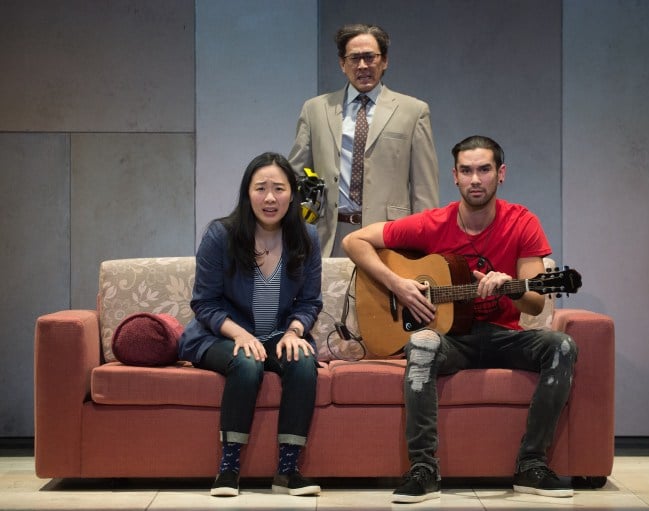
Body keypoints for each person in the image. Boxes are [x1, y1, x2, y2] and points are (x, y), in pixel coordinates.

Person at [342, 135, 578, 502]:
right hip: (452, 340)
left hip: (504, 336)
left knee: (561, 346)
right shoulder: (433, 223)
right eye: (466, 171)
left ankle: (531, 465)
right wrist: (400, 285)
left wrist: (511, 287)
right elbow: (354, 241)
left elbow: (534, 304)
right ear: (454, 176)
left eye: (484, 170)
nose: (475, 179)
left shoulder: (522, 222)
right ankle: (423, 469)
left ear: (501, 174)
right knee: (420, 342)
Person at [178, 152, 323, 497]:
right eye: (261, 188)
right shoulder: (221, 235)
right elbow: (204, 302)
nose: (270, 198)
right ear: (247, 193)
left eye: (279, 189)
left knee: (303, 362)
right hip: (221, 334)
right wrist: (240, 333)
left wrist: (294, 331)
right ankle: (228, 469)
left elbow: (310, 302)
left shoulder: (307, 237)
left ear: (292, 194)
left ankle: (287, 471)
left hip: (276, 334)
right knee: (246, 361)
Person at [288, 22, 439, 257]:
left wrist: (423, 249)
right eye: (354, 58)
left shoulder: (413, 111)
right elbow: (295, 176)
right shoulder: (315, 109)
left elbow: (424, 190)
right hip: (330, 234)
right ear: (342, 63)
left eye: (370, 57)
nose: (362, 66)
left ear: (384, 60)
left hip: (389, 237)